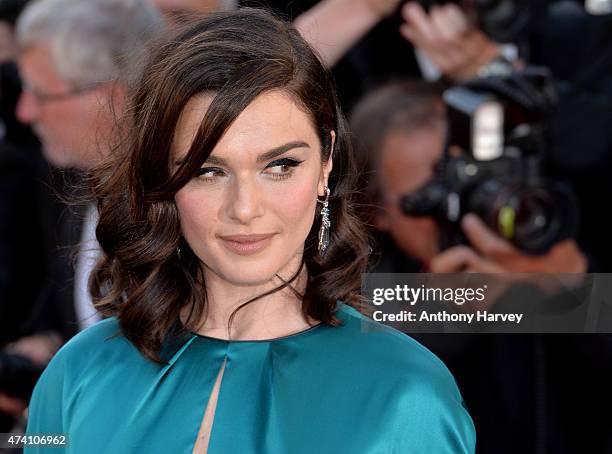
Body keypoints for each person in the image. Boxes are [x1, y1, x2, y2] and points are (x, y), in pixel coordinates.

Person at [24, 9, 476, 453]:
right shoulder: (78, 375)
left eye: (280, 166)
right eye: (208, 171)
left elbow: (531, 304)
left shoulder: (405, 396)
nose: (244, 209)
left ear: (326, 163)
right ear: (163, 177)